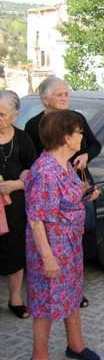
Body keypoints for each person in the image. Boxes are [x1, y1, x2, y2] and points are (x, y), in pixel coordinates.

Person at [25, 110, 101, 360]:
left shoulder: (65, 165)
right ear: (67, 138)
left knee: (72, 294)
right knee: (45, 302)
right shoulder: (45, 172)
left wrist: (85, 195)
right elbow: (36, 221)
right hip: (51, 250)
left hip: (69, 246)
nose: (83, 136)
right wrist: (48, 258)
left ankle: (75, 345)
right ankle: (39, 357)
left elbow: (64, 202)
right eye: (79, 132)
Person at [24, 76, 101, 309]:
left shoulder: (76, 119)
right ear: (44, 98)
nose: (65, 98)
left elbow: (95, 144)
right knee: (53, 240)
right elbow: (34, 162)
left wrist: (87, 155)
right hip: (50, 192)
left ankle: (75, 288)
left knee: (82, 235)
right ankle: (57, 288)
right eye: (60, 94)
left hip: (78, 183)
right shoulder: (34, 128)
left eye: (66, 94)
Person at [0, 90, 38, 319]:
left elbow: (34, 174)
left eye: (2, 114)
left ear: (15, 114)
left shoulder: (23, 139)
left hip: (14, 208)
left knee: (14, 251)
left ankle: (15, 298)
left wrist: (16, 184)